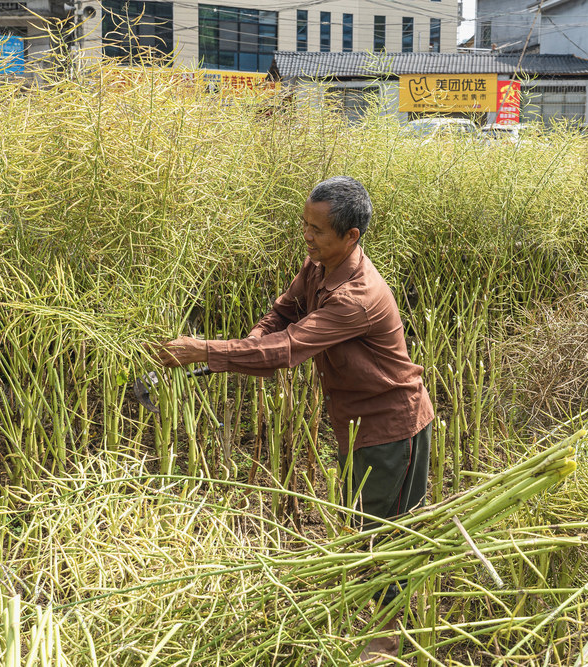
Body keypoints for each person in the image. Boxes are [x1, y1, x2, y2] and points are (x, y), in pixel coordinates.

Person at [152, 175, 434, 662]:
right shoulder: (318, 266)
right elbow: (281, 316)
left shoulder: (357, 298)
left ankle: (387, 643)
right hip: (352, 423)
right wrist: (247, 344)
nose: (307, 237)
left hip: (391, 427)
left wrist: (207, 351)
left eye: (318, 231)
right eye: (304, 225)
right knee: (359, 523)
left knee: (385, 536)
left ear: (351, 237)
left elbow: (285, 350)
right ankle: (367, 615)